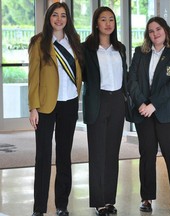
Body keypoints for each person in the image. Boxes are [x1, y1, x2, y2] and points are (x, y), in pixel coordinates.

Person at [128, 16, 170, 215]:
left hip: (166, 113)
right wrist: (142, 103)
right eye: (151, 31)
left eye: (158, 29)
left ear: (165, 30)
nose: (155, 33)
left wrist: (153, 104)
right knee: (147, 155)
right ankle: (146, 199)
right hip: (143, 113)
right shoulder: (140, 52)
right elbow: (131, 80)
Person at [28, 2, 82, 216]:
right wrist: (33, 108)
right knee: (42, 156)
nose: (59, 19)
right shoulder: (39, 42)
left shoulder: (74, 42)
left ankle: (62, 206)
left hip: (69, 104)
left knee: (63, 156)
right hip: (45, 106)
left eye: (63, 15)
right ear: (49, 17)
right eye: (55, 15)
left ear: (67, 19)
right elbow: (33, 78)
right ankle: (39, 209)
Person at [81, 6, 128, 216]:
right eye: (103, 19)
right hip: (97, 101)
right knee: (98, 153)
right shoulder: (86, 49)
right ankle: (98, 201)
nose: (108, 23)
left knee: (112, 153)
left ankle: (109, 199)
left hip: (117, 101)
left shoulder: (120, 48)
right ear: (96, 23)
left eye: (111, 19)